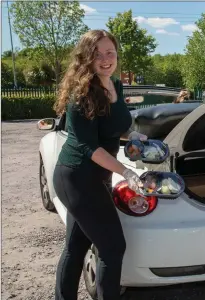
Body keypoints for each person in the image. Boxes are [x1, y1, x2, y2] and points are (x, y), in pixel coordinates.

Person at [52, 29, 148, 300]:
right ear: (86, 58)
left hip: (96, 176)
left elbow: (111, 128)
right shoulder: (81, 93)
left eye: (110, 53)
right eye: (97, 54)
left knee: (75, 246)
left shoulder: (114, 85)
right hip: (77, 178)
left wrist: (134, 135)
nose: (105, 59)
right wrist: (126, 171)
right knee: (112, 247)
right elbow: (89, 146)